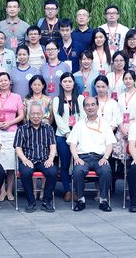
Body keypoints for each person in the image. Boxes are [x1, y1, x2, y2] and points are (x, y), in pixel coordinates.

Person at [68, 96, 116, 212]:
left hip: (100, 158)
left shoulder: (105, 124)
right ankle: (81, 200)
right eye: (87, 105)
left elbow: (110, 144)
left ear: (97, 106)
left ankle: (103, 200)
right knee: (77, 171)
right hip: (83, 158)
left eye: (93, 104)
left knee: (106, 171)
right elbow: (72, 144)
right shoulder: (79, 125)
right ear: (84, 108)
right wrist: (76, 158)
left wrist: (105, 157)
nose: (90, 107)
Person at [15, 102, 58, 212]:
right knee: (25, 173)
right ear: (28, 114)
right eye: (33, 114)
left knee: (53, 171)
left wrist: (51, 158)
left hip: (44, 160)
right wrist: (24, 159)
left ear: (42, 114)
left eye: (38, 114)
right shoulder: (21, 129)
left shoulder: (48, 128)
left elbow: (53, 146)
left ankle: (46, 201)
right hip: (28, 159)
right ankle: (31, 202)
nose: (35, 116)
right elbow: (18, 147)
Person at [0, 72, 25, 201]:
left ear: (10, 82)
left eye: (5, 80)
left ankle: (10, 190)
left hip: (12, 132)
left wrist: (9, 123)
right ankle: (2, 191)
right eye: (0, 80)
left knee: (11, 163)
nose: (3, 82)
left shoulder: (16, 97)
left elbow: (21, 115)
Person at [52, 72, 85, 202]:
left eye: (70, 81)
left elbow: (83, 117)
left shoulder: (80, 98)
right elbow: (58, 118)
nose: (67, 84)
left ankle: (76, 190)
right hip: (62, 136)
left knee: (77, 164)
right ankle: (67, 190)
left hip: (78, 136)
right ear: (61, 84)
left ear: (74, 83)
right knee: (65, 164)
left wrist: (75, 133)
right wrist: (67, 133)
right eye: (65, 81)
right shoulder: (56, 99)